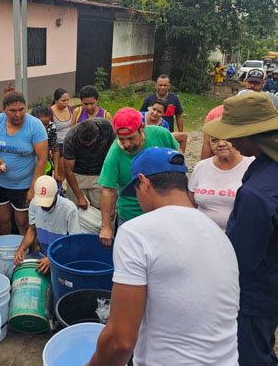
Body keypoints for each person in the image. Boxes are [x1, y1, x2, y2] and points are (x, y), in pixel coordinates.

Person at [88, 147, 239, 366]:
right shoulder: (219, 234)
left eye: (136, 192)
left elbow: (120, 341)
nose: (139, 202)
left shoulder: (136, 233)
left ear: (144, 182)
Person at [204, 92, 278, 365]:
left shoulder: (256, 195)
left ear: (253, 134)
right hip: (272, 281)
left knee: (250, 355)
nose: (230, 141)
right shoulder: (267, 166)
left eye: (234, 133)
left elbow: (241, 258)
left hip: (255, 293)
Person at [97, 108, 178, 248]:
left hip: (163, 212)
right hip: (130, 215)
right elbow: (108, 189)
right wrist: (106, 227)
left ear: (142, 127)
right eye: (122, 139)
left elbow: (178, 163)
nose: (127, 144)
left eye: (131, 138)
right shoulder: (114, 154)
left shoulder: (161, 135)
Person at [0, 91, 48, 235]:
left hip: (24, 185)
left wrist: (33, 188)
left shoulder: (35, 126)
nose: (18, 114)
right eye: (12, 111)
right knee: (1, 221)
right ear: (3, 110)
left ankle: (27, 254)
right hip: (0, 183)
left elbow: (42, 159)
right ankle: (7, 251)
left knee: (24, 224)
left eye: (21, 109)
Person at [13, 175, 79, 274]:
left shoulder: (69, 208)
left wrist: (52, 259)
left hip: (62, 258)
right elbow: (32, 230)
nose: (43, 206)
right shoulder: (34, 204)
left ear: (57, 193)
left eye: (46, 202)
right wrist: (21, 249)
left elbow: (74, 242)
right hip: (42, 255)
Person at [188, 136, 253, 230]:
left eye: (227, 139)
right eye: (214, 140)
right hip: (205, 232)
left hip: (241, 233)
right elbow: (191, 204)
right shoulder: (201, 166)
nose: (221, 144)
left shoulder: (252, 164)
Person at [61, 118, 116, 210]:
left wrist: (107, 166)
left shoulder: (106, 127)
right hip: (77, 175)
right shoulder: (70, 137)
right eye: (84, 143)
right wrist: (79, 196)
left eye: (90, 143)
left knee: (102, 208)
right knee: (76, 209)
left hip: (99, 175)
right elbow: (68, 170)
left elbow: (112, 144)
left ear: (97, 135)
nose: (87, 145)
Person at [50, 88, 72, 181]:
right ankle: (57, 185)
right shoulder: (50, 111)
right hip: (57, 144)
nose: (66, 103)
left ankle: (61, 186)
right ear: (56, 100)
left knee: (67, 169)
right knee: (59, 169)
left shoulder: (70, 109)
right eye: (63, 100)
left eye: (67, 100)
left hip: (69, 142)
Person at [31, 105, 58, 176]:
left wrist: (56, 172)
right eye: (41, 124)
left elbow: (55, 150)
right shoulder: (28, 129)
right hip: (29, 166)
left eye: (46, 124)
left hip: (46, 165)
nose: (44, 128)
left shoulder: (51, 127)